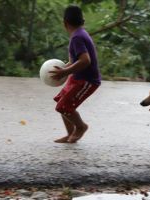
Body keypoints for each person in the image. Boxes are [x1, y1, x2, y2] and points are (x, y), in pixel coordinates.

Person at [49, 5, 101, 143]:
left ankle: (81, 127)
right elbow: (74, 60)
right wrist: (63, 68)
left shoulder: (77, 37)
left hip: (87, 81)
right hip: (77, 77)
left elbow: (85, 61)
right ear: (82, 21)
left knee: (64, 107)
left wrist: (65, 71)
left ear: (65, 23)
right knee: (61, 104)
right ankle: (70, 133)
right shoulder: (79, 34)